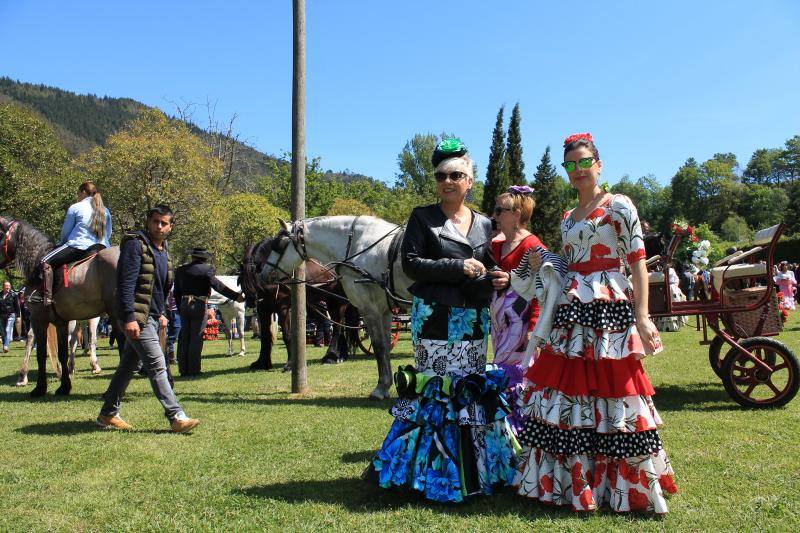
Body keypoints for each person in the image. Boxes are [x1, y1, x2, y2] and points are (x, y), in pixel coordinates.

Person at [514, 133, 677, 513]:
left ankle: (623, 484)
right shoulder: (567, 217)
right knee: (569, 386)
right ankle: (574, 478)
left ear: (598, 164)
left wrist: (642, 314)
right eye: (570, 165)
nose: (578, 170)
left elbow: (636, 260)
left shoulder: (619, 205)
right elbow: (569, 262)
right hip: (573, 308)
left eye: (584, 162)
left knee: (615, 384)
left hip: (609, 303)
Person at [362, 138, 516, 503]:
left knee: (468, 391)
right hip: (434, 317)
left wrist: (499, 276)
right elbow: (409, 263)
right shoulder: (422, 217)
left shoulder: (483, 224)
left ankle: (475, 470)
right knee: (436, 391)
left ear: (470, 181)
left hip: (474, 320)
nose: (449, 181)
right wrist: (457, 266)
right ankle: (427, 472)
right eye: (442, 175)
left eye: (457, 174)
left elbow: (486, 262)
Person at [97, 205, 199, 433]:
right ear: (148, 221)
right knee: (157, 365)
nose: (159, 226)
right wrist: (129, 318)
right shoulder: (136, 245)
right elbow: (125, 284)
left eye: (164, 223)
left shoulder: (163, 250)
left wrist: (162, 313)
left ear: (171, 227)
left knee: (127, 368)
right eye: (155, 221)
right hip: (137, 318)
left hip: (152, 317)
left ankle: (107, 414)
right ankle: (176, 416)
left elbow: (159, 288)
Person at [489, 185, 545, 434]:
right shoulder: (498, 245)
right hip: (500, 320)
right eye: (496, 209)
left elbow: (541, 289)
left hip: (520, 321)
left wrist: (535, 326)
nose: (496, 215)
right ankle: (510, 425)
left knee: (516, 373)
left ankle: (519, 427)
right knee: (503, 369)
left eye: (501, 210)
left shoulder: (532, 245)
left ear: (518, 213)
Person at [40, 181, 112, 306]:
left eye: (78, 194)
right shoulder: (105, 210)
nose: (77, 197)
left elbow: (65, 233)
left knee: (45, 261)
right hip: (102, 247)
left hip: (79, 247)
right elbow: (109, 232)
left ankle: (47, 299)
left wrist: (60, 244)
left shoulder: (76, 207)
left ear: (83, 192)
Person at [174, 247, 243, 376]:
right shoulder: (207, 269)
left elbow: (176, 292)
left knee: (184, 337)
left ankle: (183, 370)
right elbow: (218, 286)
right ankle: (194, 370)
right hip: (199, 304)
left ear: (193, 257)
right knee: (196, 337)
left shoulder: (180, 270)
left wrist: (180, 307)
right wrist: (236, 296)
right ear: (204, 258)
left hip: (184, 304)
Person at [1, 281, 20, 353]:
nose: (8, 287)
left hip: (11, 315)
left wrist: (18, 316)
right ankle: (4, 345)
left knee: (7, 329)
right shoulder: (0, 294)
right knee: (3, 332)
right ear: (3, 287)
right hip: (2, 315)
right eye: (6, 286)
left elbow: (17, 306)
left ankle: (6, 345)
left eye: (9, 286)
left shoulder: (13, 295)